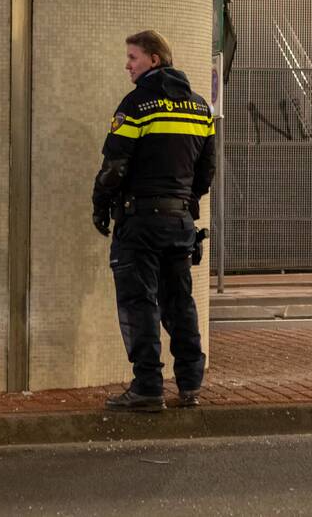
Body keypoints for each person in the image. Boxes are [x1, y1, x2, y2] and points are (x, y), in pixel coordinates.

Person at [92, 30, 216, 412]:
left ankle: (147, 387)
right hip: (179, 222)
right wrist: (186, 202)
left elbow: (114, 167)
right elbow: (207, 170)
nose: (127, 64)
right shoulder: (200, 108)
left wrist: (100, 206)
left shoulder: (137, 105)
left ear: (154, 60)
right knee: (180, 302)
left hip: (140, 222)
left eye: (133, 57)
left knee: (139, 302)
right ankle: (191, 384)